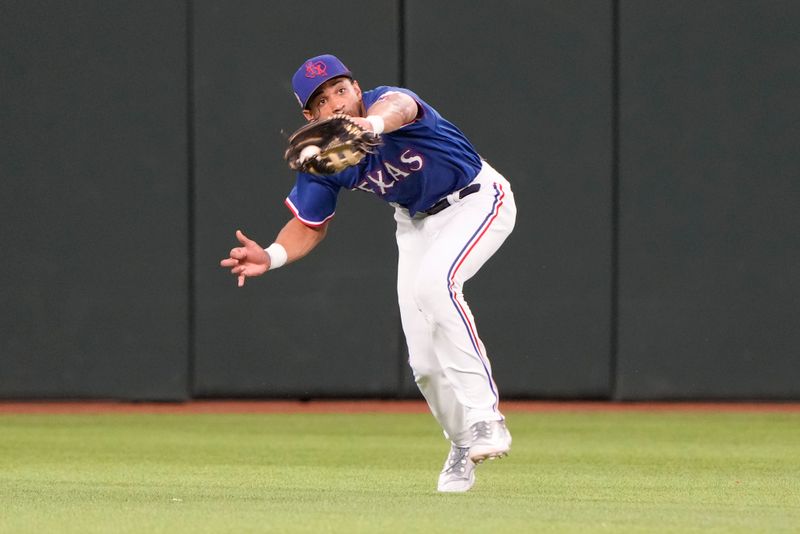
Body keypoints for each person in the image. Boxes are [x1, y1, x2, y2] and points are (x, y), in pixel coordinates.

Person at [220, 54, 517, 492]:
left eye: (341, 90)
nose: (336, 103)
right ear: (310, 115)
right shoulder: (326, 157)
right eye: (322, 100)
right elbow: (309, 224)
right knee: (424, 366)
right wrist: (272, 254)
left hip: (476, 200)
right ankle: (460, 443)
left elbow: (400, 108)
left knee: (436, 286)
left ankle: (486, 418)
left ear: (357, 89)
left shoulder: (387, 104)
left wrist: (371, 125)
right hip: (415, 223)